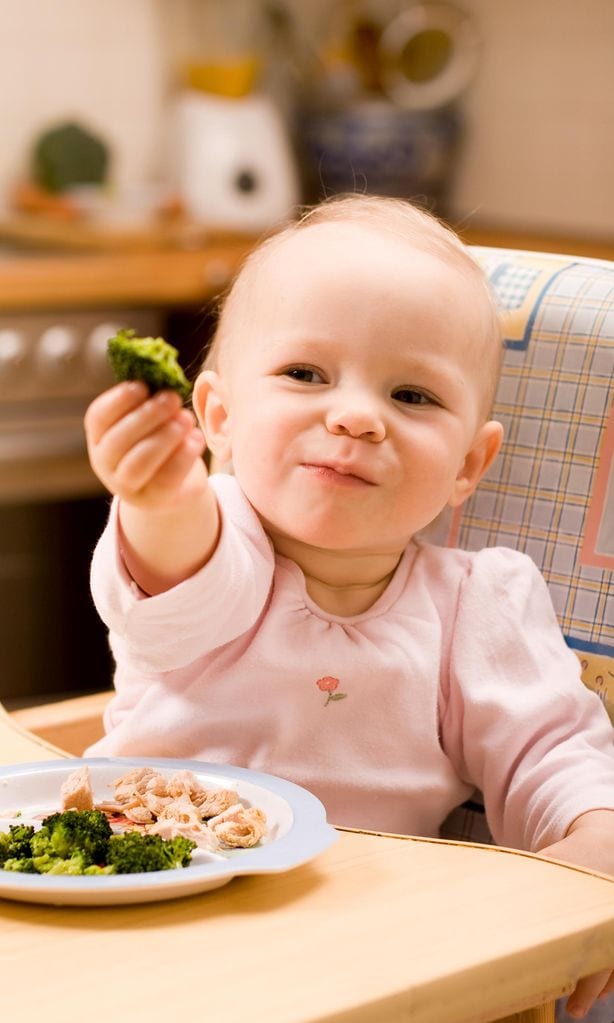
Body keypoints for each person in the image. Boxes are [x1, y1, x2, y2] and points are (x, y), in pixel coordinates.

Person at [84, 195, 614, 1018]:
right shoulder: (219, 546)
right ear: (218, 415)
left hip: (377, 957)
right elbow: (174, 579)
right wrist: (159, 496)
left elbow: (552, 752)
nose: (357, 415)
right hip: (143, 921)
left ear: (470, 461)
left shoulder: (478, 605)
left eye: (412, 395)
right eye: (305, 374)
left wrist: (592, 849)